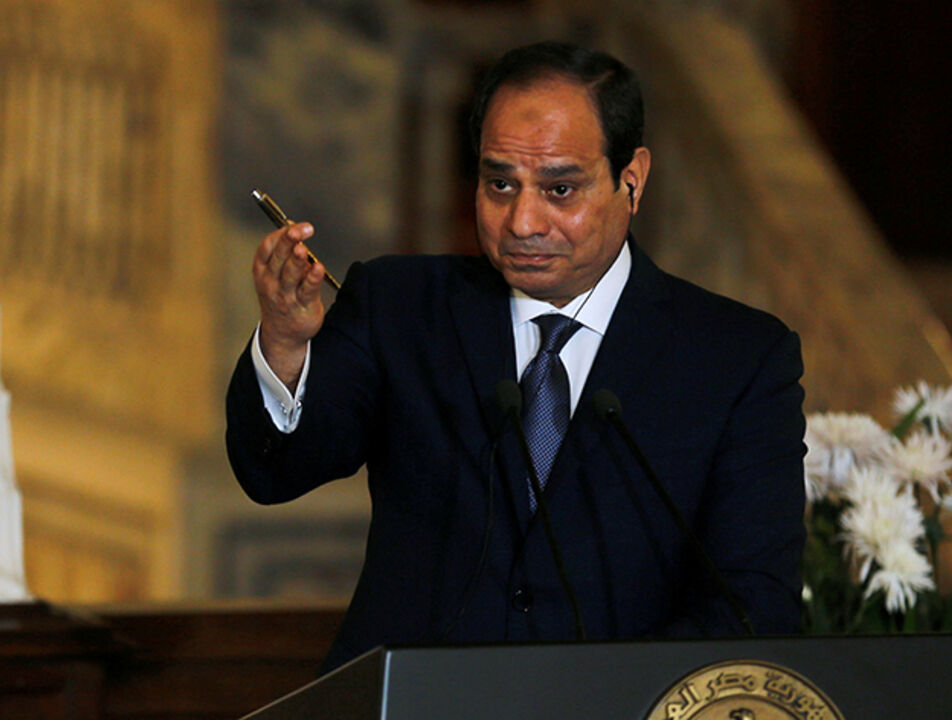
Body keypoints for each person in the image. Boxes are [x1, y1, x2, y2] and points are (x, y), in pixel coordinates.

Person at [226, 41, 806, 674]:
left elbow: (752, 607)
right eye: (500, 183)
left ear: (631, 180)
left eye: (560, 189)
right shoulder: (399, 306)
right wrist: (284, 342)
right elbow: (275, 472)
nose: (523, 221)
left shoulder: (737, 359)